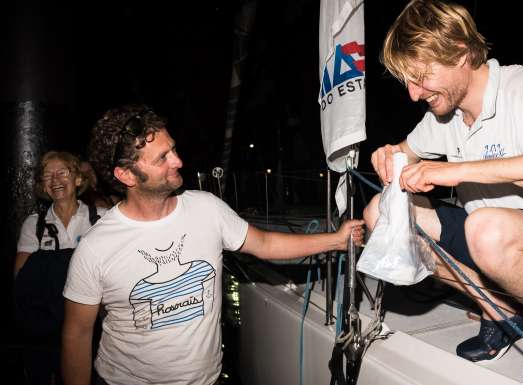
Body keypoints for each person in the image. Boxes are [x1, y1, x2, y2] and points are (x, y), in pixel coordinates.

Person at [363, 1, 523, 384]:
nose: (414, 94)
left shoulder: (522, 87)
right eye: (408, 82)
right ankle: (501, 309)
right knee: (378, 213)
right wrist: (387, 154)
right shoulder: (443, 115)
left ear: (461, 54)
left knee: (486, 228)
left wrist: (457, 170)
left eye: (421, 77)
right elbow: (405, 150)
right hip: (493, 247)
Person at [61, 105, 365, 385]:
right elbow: (77, 334)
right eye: (162, 158)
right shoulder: (96, 248)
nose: (178, 161)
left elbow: (265, 243)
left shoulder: (207, 208)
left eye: (173, 150)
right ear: (126, 174)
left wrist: (336, 240)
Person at [15, 151, 107, 385]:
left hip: (93, 326)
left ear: (78, 179)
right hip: (45, 332)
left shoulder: (102, 219)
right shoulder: (34, 224)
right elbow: (20, 277)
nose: (55, 180)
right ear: (43, 186)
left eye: (62, 172)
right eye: (48, 175)